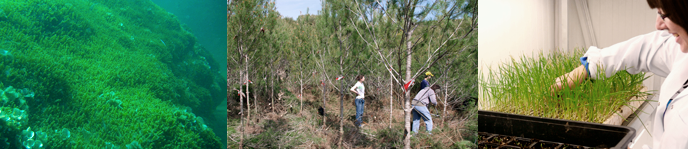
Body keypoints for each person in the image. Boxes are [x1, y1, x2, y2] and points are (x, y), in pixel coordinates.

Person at [552, 0, 688, 148]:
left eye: (664, 14)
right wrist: (587, 68)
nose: (658, 25)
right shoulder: (682, 52)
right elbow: (647, 47)